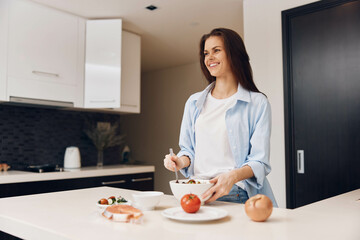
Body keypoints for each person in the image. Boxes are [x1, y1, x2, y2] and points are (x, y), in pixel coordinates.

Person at [163, 28, 277, 207]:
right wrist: (179, 161)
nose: (209, 58)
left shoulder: (257, 103)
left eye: (216, 50)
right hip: (195, 192)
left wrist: (231, 177)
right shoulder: (193, 102)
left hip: (234, 193)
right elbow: (188, 150)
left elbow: (259, 162)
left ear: (234, 54)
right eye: (206, 53)